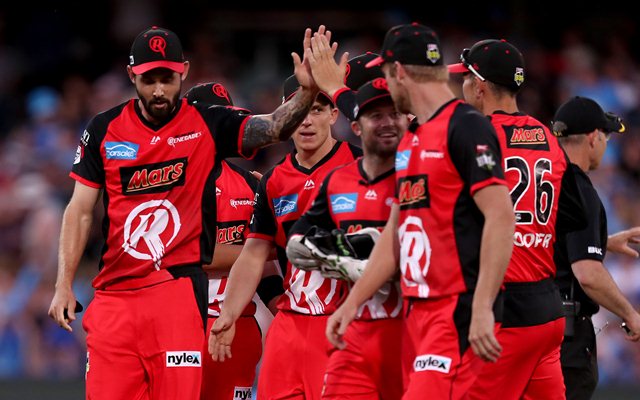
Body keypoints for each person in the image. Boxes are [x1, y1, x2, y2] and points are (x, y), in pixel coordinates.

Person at [47, 25, 325, 400]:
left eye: (167, 77)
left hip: (176, 297)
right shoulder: (103, 129)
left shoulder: (207, 123)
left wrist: (308, 92)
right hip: (115, 298)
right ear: (131, 75)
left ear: (184, 71)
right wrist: (63, 284)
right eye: (148, 79)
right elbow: (80, 209)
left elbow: (273, 127)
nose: (159, 89)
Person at [325, 23, 515, 399]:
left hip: (457, 311)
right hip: (418, 312)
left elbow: (501, 216)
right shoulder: (413, 138)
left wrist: (481, 307)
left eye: (385, 75)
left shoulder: (466, 126)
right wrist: (353, 301)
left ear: (398, 72)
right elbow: (399, 228)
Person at [447, 39, 589, 399]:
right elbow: (575, 214)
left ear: (478, 85)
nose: (461, 86)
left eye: (464, 79)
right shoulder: (546, 135)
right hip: (548, 309)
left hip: (502, 307)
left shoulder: (475, 136)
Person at [209, 74, 362, 400]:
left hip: (349, 325)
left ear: (335, 114)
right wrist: (230, 313)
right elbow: (253, 253)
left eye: (318, 110)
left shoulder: (364, 164)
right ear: (283, 114)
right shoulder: (275, 180)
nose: (307, 121)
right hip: (290, 329)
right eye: (299, 110)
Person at [287, 77, 408, 399]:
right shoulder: (338, 180)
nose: (387, 123)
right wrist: (346, 263)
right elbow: (296, 245)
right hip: (354, 331)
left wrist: (368, 259)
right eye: (375, 116)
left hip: (411, 332)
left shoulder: (420, 176)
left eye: (394, 114)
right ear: (356, 126)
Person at [184, 81, 281, 400]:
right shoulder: (169, 181)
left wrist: (279, 305)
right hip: (182, 325)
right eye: (214, 120)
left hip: (238, 329)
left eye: (227, 120)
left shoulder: (250, 185)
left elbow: (265, 271)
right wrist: (257, 251)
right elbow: (188, 255)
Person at [551, 96, 640, 399]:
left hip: (525, 324)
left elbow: (546, 242)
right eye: (607, 136)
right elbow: (587, 272)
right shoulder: (580, 189)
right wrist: (630, 313)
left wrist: (603, 242)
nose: (607, 144)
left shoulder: (544, 180)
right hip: (564, 339)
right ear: (593, 137)